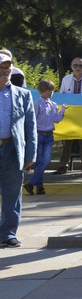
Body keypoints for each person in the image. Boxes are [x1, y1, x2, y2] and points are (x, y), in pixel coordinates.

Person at [0, 52, 36, 248]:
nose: (6, 70)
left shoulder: (23, 94)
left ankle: (8, 234)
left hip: (12, 150)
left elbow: (30, 126)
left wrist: (30, 155)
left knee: (12, 194)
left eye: (8, 66)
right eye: (2, 66)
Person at [56, 57, 82, 175]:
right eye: (75, 65)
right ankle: (63, 165)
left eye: (80, 65)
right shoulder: (66, 79)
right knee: (66, 141)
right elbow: (62, 95)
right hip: (69, 114)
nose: (78, 68)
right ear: (71, 67)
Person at [25, 80, 67, 196]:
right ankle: (40, 187)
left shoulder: (53, 104)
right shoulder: (37, 103)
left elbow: (57, 119)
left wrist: (62, 110)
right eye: (48, 90)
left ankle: (31, 183)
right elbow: (33, 119)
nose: (51, 92)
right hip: (39, 134)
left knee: (46, 160)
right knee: (39, 162)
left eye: (52, 90)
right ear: (42, 91)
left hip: (49, 135)